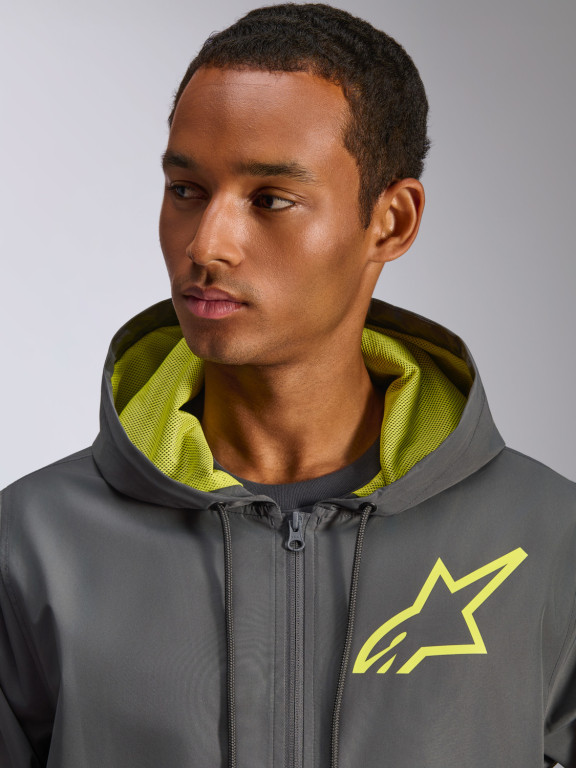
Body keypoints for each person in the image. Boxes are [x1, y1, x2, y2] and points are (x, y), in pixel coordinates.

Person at [1, 3, 575, 766]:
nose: (207, 245)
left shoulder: (548, 539)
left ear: (391, 222)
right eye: (186, 190)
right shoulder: (31, 542)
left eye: (270, 199)